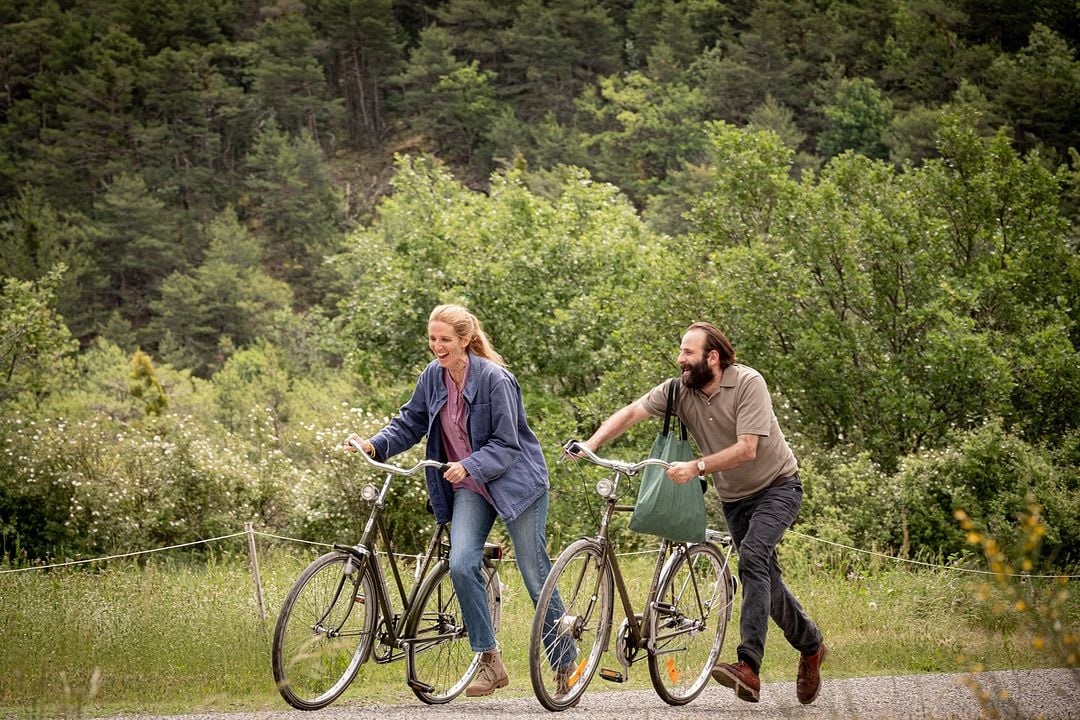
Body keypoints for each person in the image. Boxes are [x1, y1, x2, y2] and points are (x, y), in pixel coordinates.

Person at [578, 321, 826, 704]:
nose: (680, 359)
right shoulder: (678, 390)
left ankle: (748, 666)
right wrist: (590, 444)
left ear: (712, 357)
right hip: (734, 498)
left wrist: (697, 467)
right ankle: (811, 646)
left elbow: (747, 449)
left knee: (753, 558)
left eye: (687, 352)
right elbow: (631, 412)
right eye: (680, 351)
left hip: (778, 487)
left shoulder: (748, 383)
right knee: (766, 581)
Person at [345, 304, 570, 698]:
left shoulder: (496, 379)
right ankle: (489, 658)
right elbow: (410, 422)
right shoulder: (432, 376)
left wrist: (469, 464)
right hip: (470, 486)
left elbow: (508, 444)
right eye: (433, 339)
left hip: (517, 484)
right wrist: (374, 444)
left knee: (535, 575)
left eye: (445, 339)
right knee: (462, 564)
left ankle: (566, 660)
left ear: (465, 340)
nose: (437, 346)